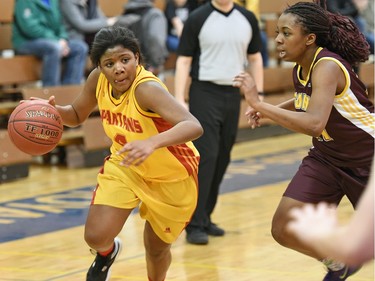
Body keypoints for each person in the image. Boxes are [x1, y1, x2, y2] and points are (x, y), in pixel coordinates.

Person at [43, 26, 203, 281]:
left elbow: (193, 125)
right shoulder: (97, 80)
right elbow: (75, 114)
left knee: (156, 249)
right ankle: (107, 254)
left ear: (137, 58)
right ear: (99, 67)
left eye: (125, 60)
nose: (118, 68)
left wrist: (151, 143)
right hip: (127, 164)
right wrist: (52, 112)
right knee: (95, 236)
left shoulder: (146, 89)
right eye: (109, 63)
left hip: (173, 176)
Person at [232, 1, 374, 280]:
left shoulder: (328, 66)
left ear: (309, 39)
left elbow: (314, 122)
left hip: (367, 160)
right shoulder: (301, 67)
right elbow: (304, 100)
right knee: (284, 226)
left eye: (286, 33)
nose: (278, 40)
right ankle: (339, 262)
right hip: (328, 159)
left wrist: (260, 105)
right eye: (277, 33)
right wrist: (273, 110)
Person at [174, 0, 264, 245]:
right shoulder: (198, 18)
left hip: (232, 94)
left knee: (223, 155)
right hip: (204, 93)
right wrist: (179, 98)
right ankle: (194, 224)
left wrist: (258, 96)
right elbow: (183, 61)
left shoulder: (247, 18)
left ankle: (205, 216)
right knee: (208, 156)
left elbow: (255, 58)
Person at [286, 160, 374, 267]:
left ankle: (340, 263)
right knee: (284, 228)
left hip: (362, 159)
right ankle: (339, 266)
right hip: (326, 156)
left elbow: (356, 249)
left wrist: (322, 235)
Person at [12, 0, 88, 86]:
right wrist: (56, 40)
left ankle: (70, 90)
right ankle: (51, 91)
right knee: (54, 48)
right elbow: (29, 28)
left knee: (80, 47)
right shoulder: (24, 2)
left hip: (54, 40)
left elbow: (60, 23)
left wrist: (63, 39)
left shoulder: (53, 1)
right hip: (26, 42)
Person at [115, 0, 169, 76]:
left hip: (122, 71)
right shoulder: (155, 15)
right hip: (147, 68)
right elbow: (156, 39)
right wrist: (156, 64)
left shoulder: (122, 17)